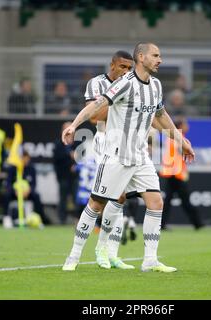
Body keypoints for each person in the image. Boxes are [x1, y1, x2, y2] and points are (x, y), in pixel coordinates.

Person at [61, 42, 195, 272]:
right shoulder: (125, 84)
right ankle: (73, 257)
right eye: (155, 55)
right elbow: (97, 106)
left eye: (160, 56)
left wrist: (181, 141)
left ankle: (150, 260)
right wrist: (74, 125)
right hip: (116, 155)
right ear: (141, 57)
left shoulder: (156, 85)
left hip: (140, 156)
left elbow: (161, 116)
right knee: (96, 204)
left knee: (156, 202)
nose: (160, 60)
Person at [83, 50, 136, 270]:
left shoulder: (133, 83)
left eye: (129, 68)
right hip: (105, 140)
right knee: (106, 197)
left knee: (121, 198)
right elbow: (94, 115)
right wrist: (122, 109)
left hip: (126, 142)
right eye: (122, 67)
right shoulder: (96, 84)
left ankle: (112, 253)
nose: (126, 72)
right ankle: (99, 249)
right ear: (112, 65)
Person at [160, 116, 203, 230]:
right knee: (184, 201)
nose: (187, 126)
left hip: (172, 174)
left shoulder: (171, 138)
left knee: (169, 201)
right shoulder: (177, 138)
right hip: (176, 174)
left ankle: (162, 224)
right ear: (180, 127)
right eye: (185, 124)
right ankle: (197, 223)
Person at [3, 150, 51, 226]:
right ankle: (6, 218)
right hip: (15, 193)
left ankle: (39, 219)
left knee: (36, 196)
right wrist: (14, 191)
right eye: (22, 158)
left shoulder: (31, 169)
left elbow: (33, 184)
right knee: (6, 195)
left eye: (26, 158)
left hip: (27, 193)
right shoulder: (12, 169)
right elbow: (8, 183)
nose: (24, 160)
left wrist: (29, 190)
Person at [53, 121, 78, 225]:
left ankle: (78, 219)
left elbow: (83, 158)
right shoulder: (59, 144)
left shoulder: (78, 143)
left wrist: (76, 165)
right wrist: (69, 155)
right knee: (63, 198)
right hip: (63, 175)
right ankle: (62, 220)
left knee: (77, 198)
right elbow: (57, 159)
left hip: (75, 176)